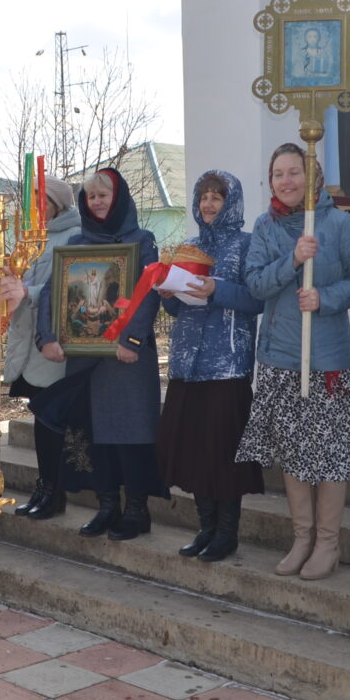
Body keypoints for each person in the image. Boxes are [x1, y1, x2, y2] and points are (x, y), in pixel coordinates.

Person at [236, 144, 350, 580]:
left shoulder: (337, 224)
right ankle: (302, 538)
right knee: (293, 454)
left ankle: (328, 544)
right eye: (278, 173)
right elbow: (255, 284)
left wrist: (325, 298)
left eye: (295, 172)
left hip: (327, 360)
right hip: (279, 357)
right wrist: (293, 260)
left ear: (312, 176)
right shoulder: (265, 226)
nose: (287, 181)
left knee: (329, 454)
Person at [35, 168, 165, 541]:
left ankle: (137, 511)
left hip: (126, 361)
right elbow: (50, 294)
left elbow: (148, 292)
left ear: (119, 197)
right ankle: (107, 506)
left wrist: (132, 340)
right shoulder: (76, 244)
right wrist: (48, 337)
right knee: (93, 437)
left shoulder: (142, 240)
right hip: (85, 358)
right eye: (91, 196)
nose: (97, 201)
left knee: (129, 435)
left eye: (104, 195)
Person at [155, 170, 265, 563]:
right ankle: (205, 527)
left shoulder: (247, 245)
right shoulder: (188, 245)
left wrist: (218, 289)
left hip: (227, 365)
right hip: (187, 364)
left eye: (217, 197)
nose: (208, 203)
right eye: (203, 196)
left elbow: (258, 299)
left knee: (222, 453)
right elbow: (175, 307)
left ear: (230, 201)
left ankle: (226, 533)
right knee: (192, 450)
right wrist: (168, 293)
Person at [0, 176, 80, 520]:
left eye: (40, 200)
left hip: (51, 340)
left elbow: (68, 282)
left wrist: (26, 291)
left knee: (51, 422)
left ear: (57, 203)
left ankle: (54, 492)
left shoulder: (72, 235)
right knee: (41, 419)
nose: (33, 208)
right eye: (30, 201)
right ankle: (44, 488)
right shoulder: (29, 238)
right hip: (27, 338)